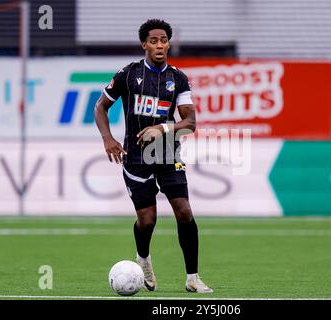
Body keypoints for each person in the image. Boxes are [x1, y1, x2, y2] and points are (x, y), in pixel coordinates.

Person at [94, 19, 213, 293]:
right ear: (144, 45)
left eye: (163, 40)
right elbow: (100, 107)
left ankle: (192, 278)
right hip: (136, 158)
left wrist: (163, 127)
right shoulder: (128, 74)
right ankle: (143, 259)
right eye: (154, 41)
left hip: (168, 154)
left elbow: (190, 122)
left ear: (168, 43)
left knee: (184, 212)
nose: (159, 45)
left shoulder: (178, 78)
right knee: (147, 220)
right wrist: (108, 139)